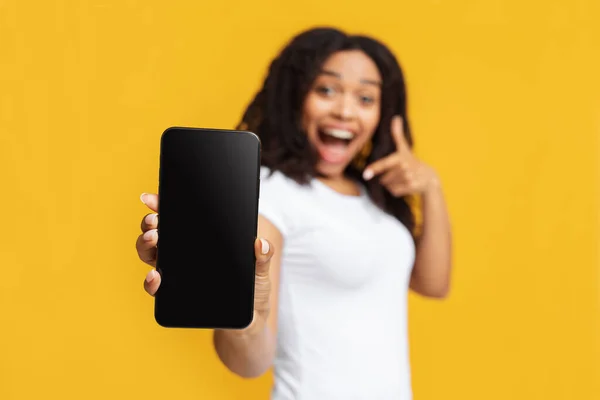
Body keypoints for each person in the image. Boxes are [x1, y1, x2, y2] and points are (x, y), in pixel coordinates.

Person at [136, 27, 452, 399]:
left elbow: (433, 284)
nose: (346, 111)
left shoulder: (373, 194)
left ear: (383, 113)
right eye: (326, 90)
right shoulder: (270, 194)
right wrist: (247, 319)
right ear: (294, 97)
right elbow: (250, 363)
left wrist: (431, 188)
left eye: (366, 98)